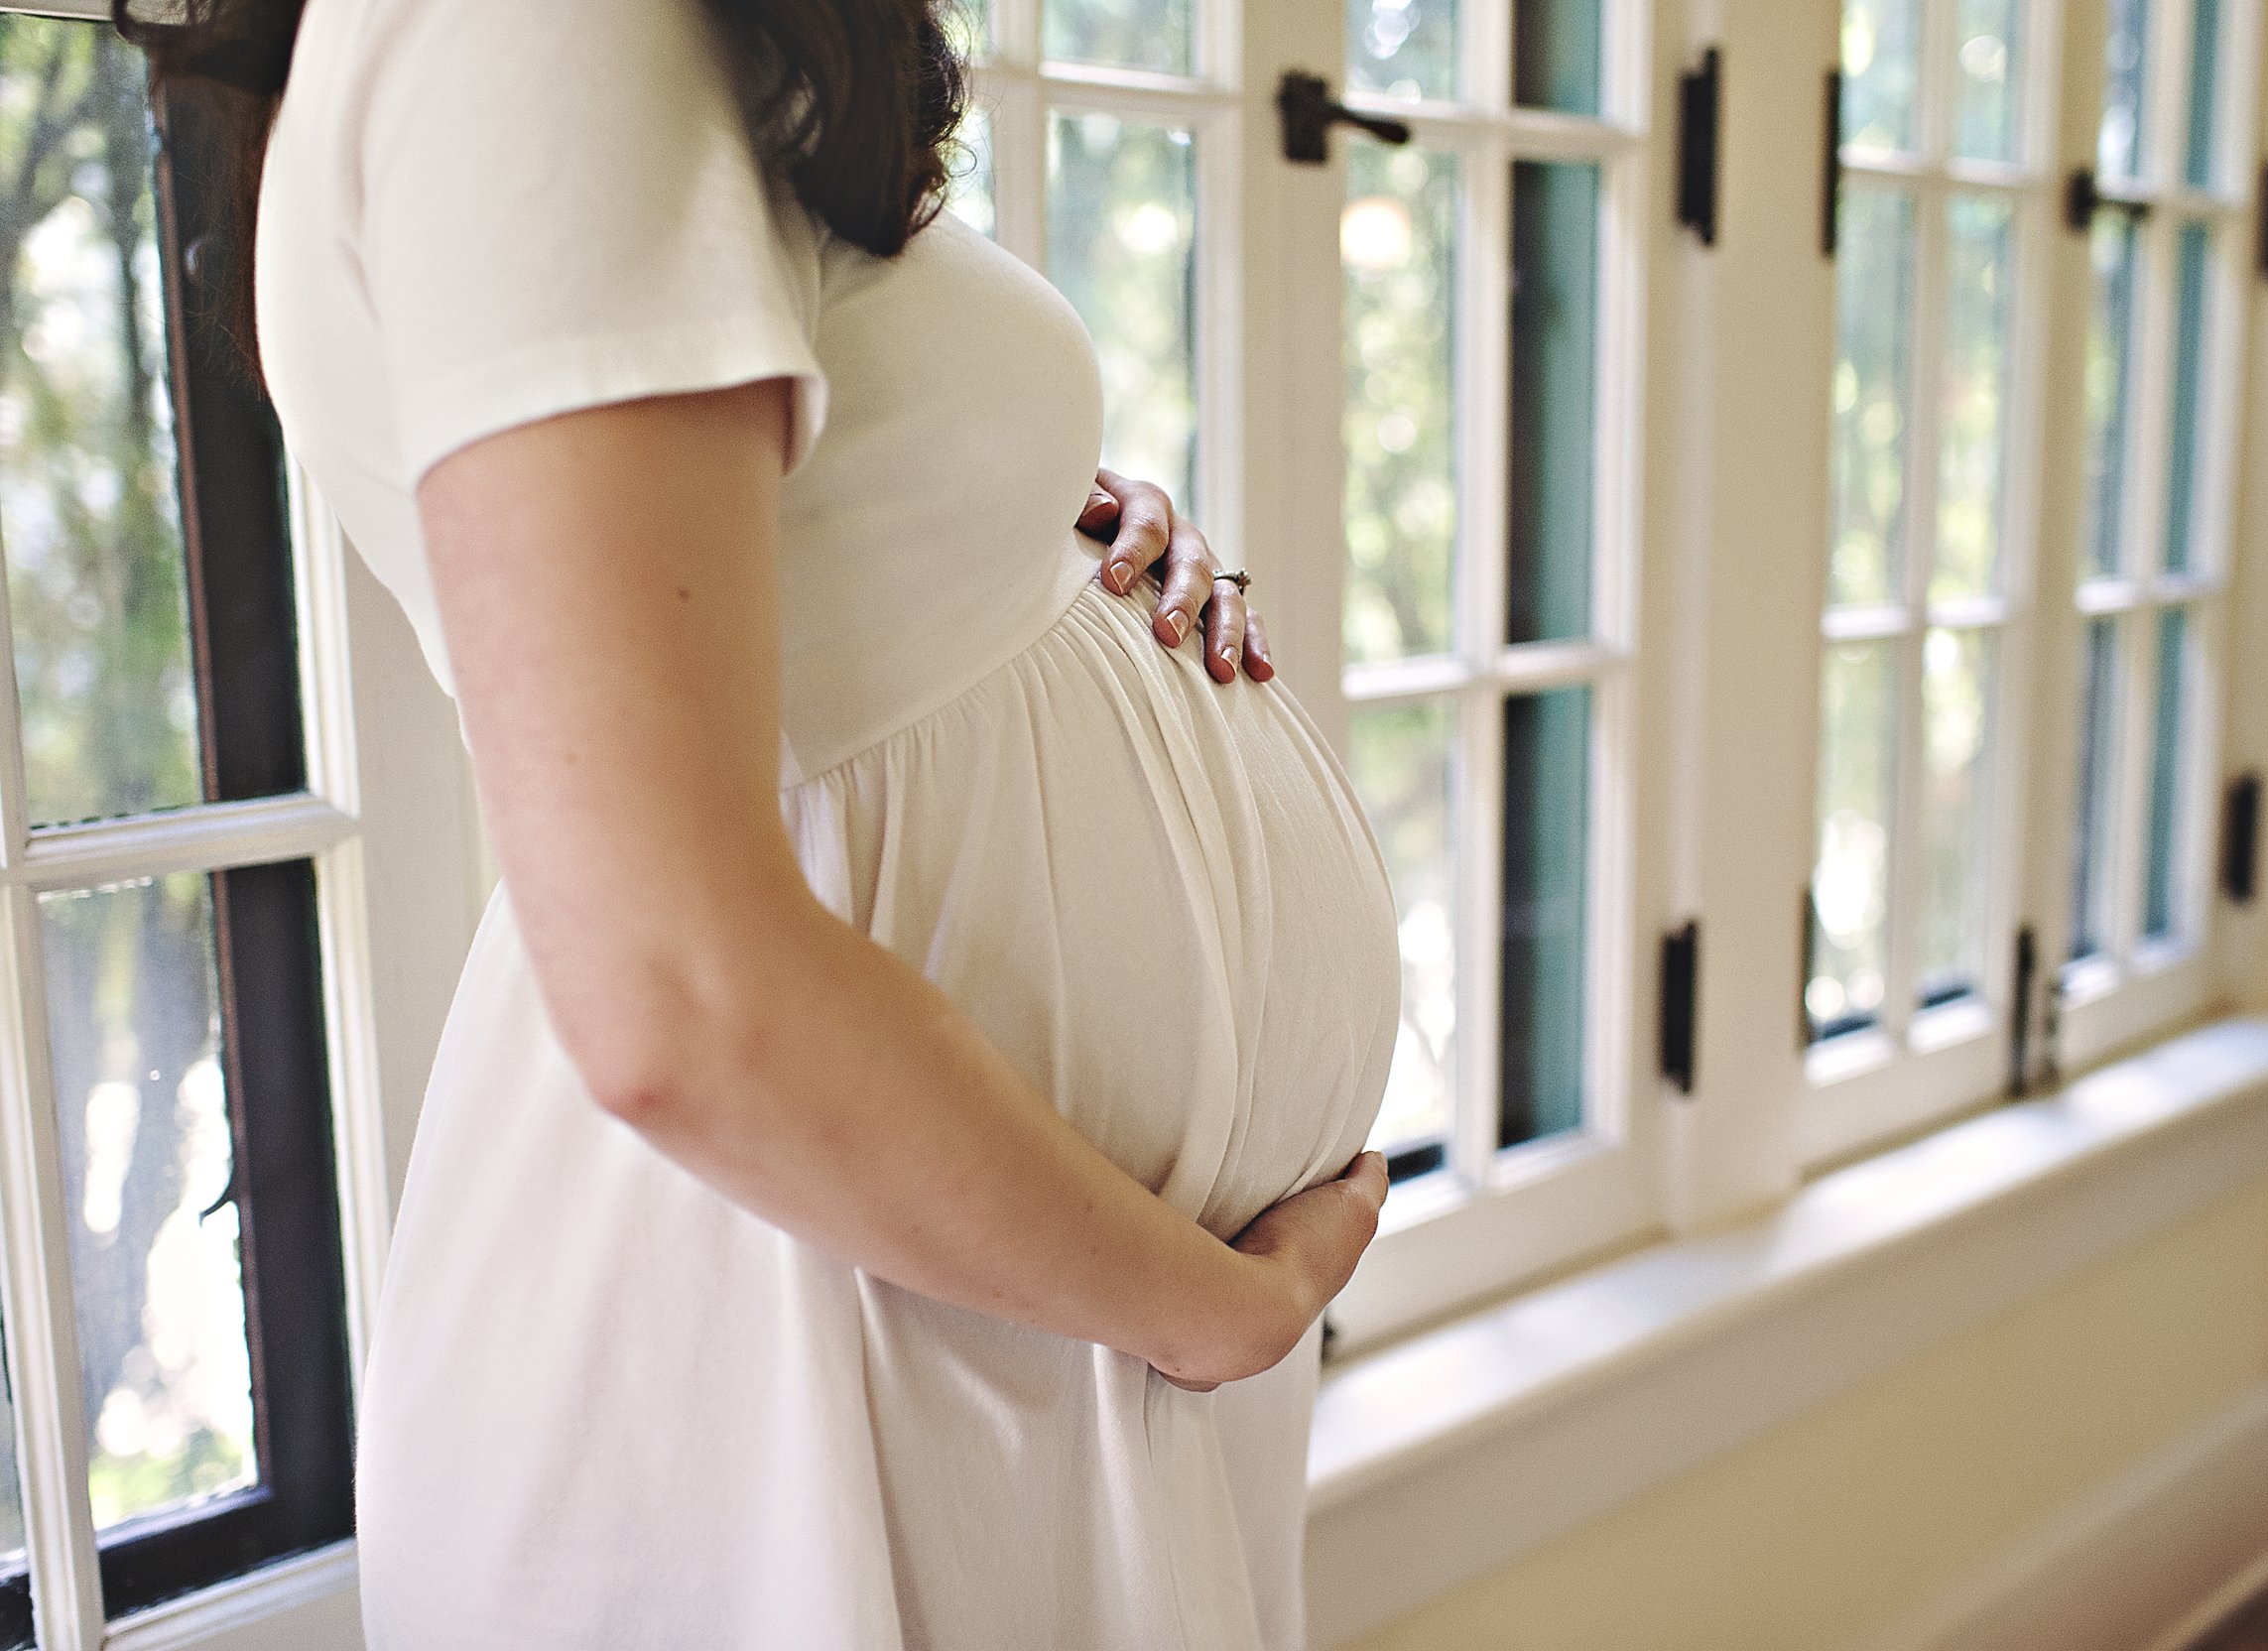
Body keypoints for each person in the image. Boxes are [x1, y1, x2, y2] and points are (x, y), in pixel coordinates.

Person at [118, 0, 1405, 1644]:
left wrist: (1017, 506)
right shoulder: (528, 28)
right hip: (827, 1347)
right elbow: (682, 997)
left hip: (995, 1335)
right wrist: (1218, 1311)